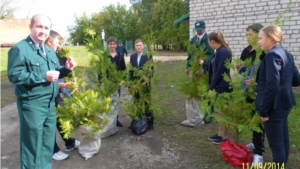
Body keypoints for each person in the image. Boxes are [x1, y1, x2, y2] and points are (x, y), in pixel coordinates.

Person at [7, 14, 75, 169]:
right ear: (31, 27)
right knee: (32, 147)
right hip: (32, 105)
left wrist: (66, 69)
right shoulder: (20, 49)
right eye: (39, 26)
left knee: (46, 145)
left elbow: (56, 72)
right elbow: (14, 75)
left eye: (46, 28)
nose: (43, 31)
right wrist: (43, 76)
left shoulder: (50, 51)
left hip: (50, 105)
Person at [255, 25, 300, 167]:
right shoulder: (287, 54)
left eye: (260, 38)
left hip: (273, 107)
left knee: (277, 145)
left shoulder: (272, 55)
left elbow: (272, 86)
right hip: (284, 104)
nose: (258, 42)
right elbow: (296, 80)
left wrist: (263, 109)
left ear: (271, 38)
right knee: (283, 141)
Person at [45, 30, 80, 161]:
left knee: (61, 120)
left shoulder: (54, 54)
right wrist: (63, 86)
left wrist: (67, 69)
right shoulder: (45, 56)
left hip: (57, 93)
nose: (60, 45)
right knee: (50, 123)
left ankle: (69, 142)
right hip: (47, 96)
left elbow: (59, 74)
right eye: (57, 42)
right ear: (49, 42)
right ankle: (53, 150)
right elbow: (45, 80)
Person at [199, 31, 232, 145]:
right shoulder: (218, 51)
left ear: (213, 41)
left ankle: (224, 136)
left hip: (223, 86)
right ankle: (219, 134)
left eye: (209, 42)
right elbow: (214, 66)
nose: (209, 44)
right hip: (219, 85)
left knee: (224, 112)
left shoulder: (224, 52)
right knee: (220, 112)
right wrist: (204, 63)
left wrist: (211, 87)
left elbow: (219, 71)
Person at [182, 20, 214, 127]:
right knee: (196, 92)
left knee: (205, 92)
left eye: (200, 30)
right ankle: (198, 114)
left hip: (204, 70)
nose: (199, 32)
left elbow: (210, 56)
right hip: (194, 70)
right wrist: (188, 67)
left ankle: (208, 114)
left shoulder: (208, 40)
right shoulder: (193, 40)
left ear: (205, 28)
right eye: (197, 30)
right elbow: (190, 55)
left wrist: (204, 68)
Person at [129, 39, 154, 130]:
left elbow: (151, 70)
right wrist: (130, 85)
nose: (138, 47)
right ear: (134, 47)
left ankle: (150, 123)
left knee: (147, 103)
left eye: (140, 45)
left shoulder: (148, 56)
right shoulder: (132, 57)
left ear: (143, 46)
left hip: (145, 84)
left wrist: (146, 81)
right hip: (136, 85)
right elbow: (131, 71)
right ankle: (137, 122)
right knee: (137, 103)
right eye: (137, 45)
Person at [105, 37, 126, 127]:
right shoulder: (104, 56)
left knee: (116, 101)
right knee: (108, 102)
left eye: (114, 44)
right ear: (108, 45)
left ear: (116, 45)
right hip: (107, 83)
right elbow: (101, 69)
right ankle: (108, 121)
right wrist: (101, 81)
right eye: (110, 44)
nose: (112, 46)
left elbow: (123, 68)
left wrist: (125, 80)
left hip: (117, 82)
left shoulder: (120, 55)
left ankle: (116, 120)